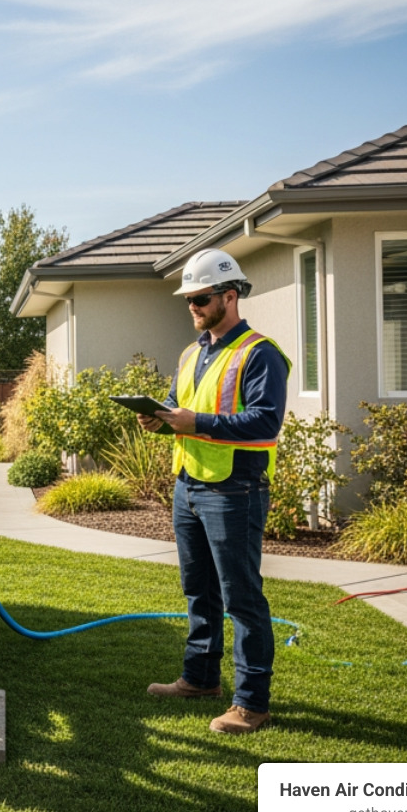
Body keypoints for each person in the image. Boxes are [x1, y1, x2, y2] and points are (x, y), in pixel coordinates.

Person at [137, 248, 290, 734]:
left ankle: (252, 703)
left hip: (234, 490)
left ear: (230, 295)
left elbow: (266, 424)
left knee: (241, 597)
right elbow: (182, 408)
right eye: (188, 300)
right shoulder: (192, 353)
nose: (193, 307)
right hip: (189, 487)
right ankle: (200, 679)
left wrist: (193, 422)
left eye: (201, 298)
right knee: (198, 591)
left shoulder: (260, 353)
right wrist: (159, 420)